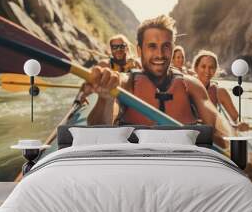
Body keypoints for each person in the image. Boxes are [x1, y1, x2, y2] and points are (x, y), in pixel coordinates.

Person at [87, 15, 235, 147]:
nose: (160, 54)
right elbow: (99, 132)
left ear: (172, 49)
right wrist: (105, 99)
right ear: (139, 51)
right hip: (135, 166)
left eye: (166, 46)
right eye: (152, 46)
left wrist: (231, 144)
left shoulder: (192, 86)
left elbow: (221, 134)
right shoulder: (125, 83)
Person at [192, 50, 249, 131]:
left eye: (211, 67)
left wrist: (241, 123)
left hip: (209, 134)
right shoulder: (185, 86)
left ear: (215, 70)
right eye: (203, 66)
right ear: (196, 68)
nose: (207, 71)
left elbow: (236, 118)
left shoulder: (220, 92)